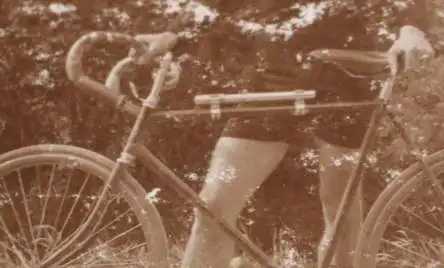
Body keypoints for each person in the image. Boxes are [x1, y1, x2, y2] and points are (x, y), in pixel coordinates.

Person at [180, 1, 438, 267]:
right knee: (213, 207)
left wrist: (412, 29)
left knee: (340, 213)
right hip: (274, 72)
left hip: (344, 72)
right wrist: (175, 37)